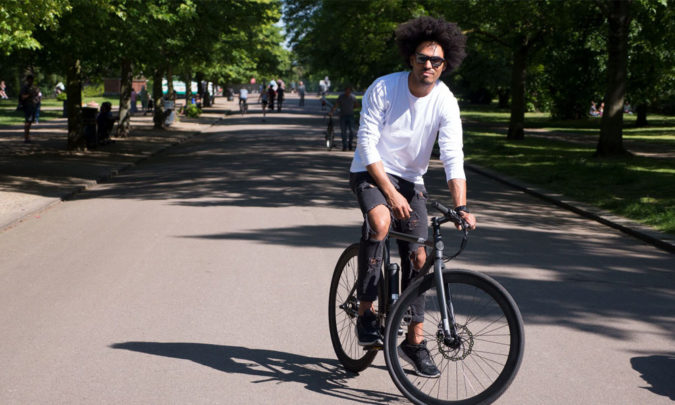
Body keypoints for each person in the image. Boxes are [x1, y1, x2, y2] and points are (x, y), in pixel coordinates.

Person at [349, 16, 476, 378]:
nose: (429, 65)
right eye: (423, 58)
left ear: (445, 65)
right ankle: (366, 312)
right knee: (380, 222)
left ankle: (414, 342)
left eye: (436, 61)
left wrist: (461, 206)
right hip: (371, 170)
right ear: (411, 58)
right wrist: (389, 193)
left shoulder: (445, 101)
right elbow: (366, 145)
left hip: (411, 179)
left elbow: (452, 156)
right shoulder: (384, 88)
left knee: (419, 256)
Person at [329, 85, 358, 151]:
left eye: (349, 90)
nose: (347, 91)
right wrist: (332, 111)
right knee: (343, 131)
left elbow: (356, 105)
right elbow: (336, 104)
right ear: (345, 90)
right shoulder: (341, 97)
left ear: (350, 91)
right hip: (343, 116)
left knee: (351, 131)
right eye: (346, 90)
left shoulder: (353, 97)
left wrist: (351, 108)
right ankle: (344, 146)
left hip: (351, 116)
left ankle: (350, 144)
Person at [19, 75, 41, 143]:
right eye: (30, 80)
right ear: (27, 80)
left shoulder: (34, 87)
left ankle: (28, 137)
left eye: (32, 80)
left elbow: (38, 95)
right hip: (27, 106)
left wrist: (37, 98)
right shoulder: (24, 88)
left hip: (32, 106)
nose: (31, 81)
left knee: (30, 121)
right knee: (27, 121)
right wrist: (29, 94)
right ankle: (26, 137)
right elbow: (22, 97)